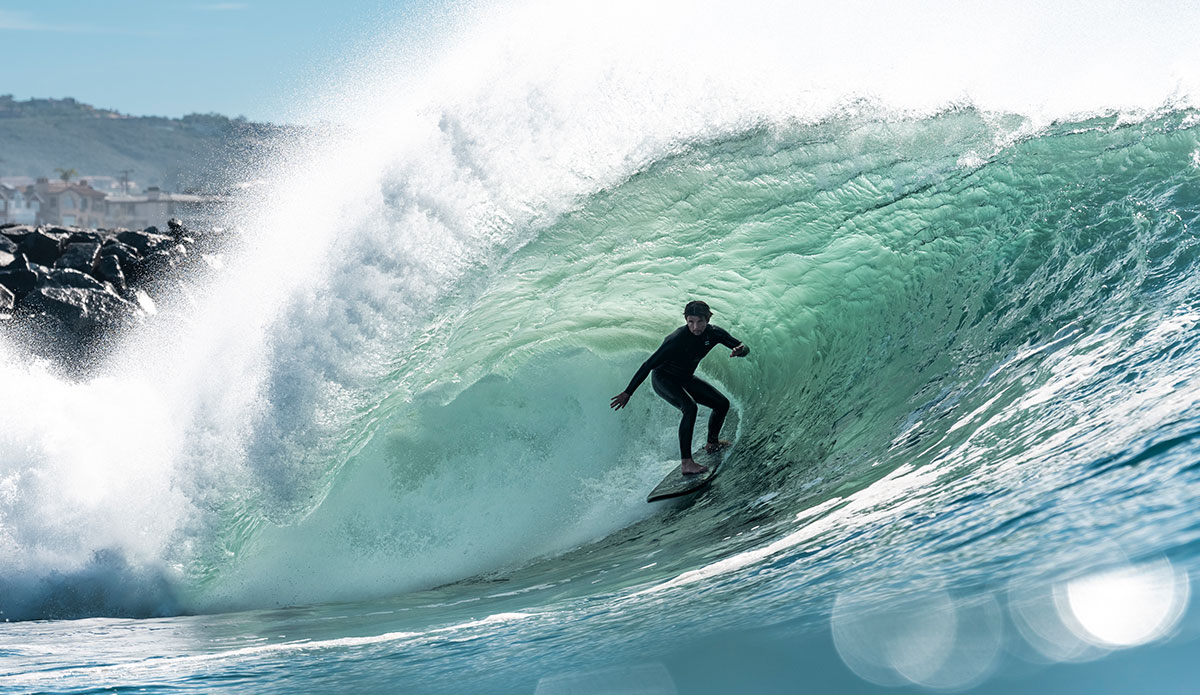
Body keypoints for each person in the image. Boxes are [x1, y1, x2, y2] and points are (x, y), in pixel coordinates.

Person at [610, 300, 750, 475]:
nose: (695, 326)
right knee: (689, 408)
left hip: (684, 378)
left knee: (722, 404)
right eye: (690, 321)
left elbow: (742, 346)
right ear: (686, 320)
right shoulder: (676, 339)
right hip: (664, 379)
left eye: (699, 321)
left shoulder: (715, 334)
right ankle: (687, 463)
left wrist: (740, 350)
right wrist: (628, 392)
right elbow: (648, 365)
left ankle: (712, 443)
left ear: (708, 318)